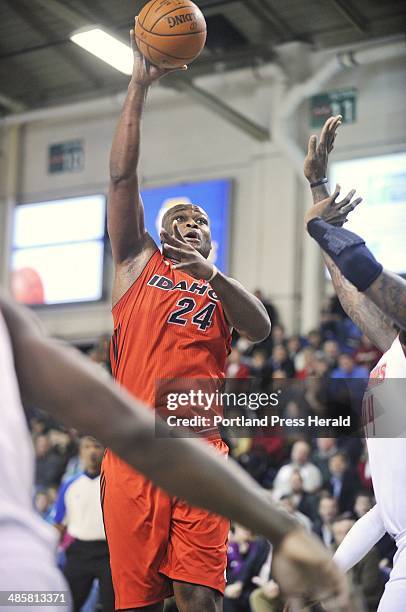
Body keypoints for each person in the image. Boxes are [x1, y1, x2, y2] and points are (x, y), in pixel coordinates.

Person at [0, 293, 347, 609]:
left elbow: (136, 431)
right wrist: (281, 530)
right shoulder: (73, 482)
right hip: (36, 568)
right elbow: (131, 431)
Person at [102, 23, 271, 612]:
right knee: (142, 605)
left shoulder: (218, 288)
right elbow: (122, 177)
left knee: (202, 601)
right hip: (135, 455)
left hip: (198, 447)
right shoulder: (135, 264)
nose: (194, 218)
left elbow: (262, 328)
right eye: (182, 214)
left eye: (202, 216)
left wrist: (213, 276)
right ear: (162, 230)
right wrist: (139, 86)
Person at [303, 114, 406, 610]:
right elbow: (350, 293)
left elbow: (363, 271)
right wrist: (317, 186)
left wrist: (317, 224)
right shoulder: (394, 356)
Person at [53, 437, 114, 611]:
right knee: (67, 605)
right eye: (87, 447)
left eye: (97, 446)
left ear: (104, 450)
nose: (92, 451)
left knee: (115, 606)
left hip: (109, 553)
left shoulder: (115, 484)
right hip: (78, 552)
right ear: (81, 451)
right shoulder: (70, 485)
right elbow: (59, 523)